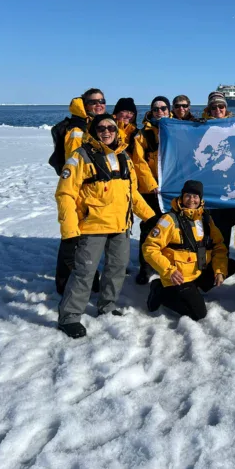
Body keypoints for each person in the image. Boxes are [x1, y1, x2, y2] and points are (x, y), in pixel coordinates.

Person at [56, 114, 156, 338]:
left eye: (110, 127)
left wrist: (150, 216)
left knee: (117, 269)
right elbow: (65, 195)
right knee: (84, 272)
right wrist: (70, 230)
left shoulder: (124, 157)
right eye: (100, 128)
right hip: (93, 226)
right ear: (93, 131)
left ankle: (107, 305)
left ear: (116, 130)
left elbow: (132, 193)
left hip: (121, 225)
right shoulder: (79, 157)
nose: (106, 131)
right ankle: (69, 316)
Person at [143, 180, 235, 321]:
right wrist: (169, 270)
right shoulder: (169, 220)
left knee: (229, 265)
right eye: (188, 195)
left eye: (195, 196)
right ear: (182, 197)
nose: (191, 200)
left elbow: (219, 246)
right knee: (198, 314)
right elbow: (149, 248)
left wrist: (219, 271)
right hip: (178, 277)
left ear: (200, 199)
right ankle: (160, 291)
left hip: (198, 270)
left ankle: (193, 290)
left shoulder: (205, 218)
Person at [54, 88, 107, 295]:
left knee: (84, 237)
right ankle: (63, 282)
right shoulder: (77, 129)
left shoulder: (92, 123)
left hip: (93, 192)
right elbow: (75, 162)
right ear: (85, 104)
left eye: (102, 101)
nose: (99, 104)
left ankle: (89, 278)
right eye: (94, 102)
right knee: (72, 238)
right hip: (79, 192)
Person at [131, 96, 171, 284]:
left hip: (173, 190)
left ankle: (170, 263)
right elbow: (139, 162)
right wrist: (152, 185)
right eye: (156, 109)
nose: (160, 111)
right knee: (149, 227)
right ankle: (145, 266)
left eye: (163, 108)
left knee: (171, 227)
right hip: (152, 191)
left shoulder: (179, 130)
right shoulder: (143, 135)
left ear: (169, 110)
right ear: (151, 111)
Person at [200, 91, 235, 248]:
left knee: (226, 223)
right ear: (209, 109)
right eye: (214, 107)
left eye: (221, 106)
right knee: (207, 223)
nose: (218, 110)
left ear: (226, 108)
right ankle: (207, 259)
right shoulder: (200, 125)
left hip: (231, 183)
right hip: (209, 184)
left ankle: (222, 259)